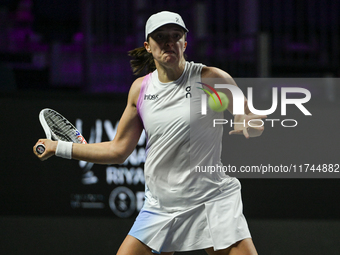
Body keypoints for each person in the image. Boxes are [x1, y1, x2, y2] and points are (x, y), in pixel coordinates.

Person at [34, 11, 266, 255]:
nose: (169, 42)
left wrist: (247, 122)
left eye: (176, 36)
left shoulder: (212, 78)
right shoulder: (140, 90)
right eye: (160, 37)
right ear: (148, 46)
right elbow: (118, 150)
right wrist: (58, 147)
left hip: (211, 199)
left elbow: (245, 114)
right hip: (161, 206)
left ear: (184, 44)